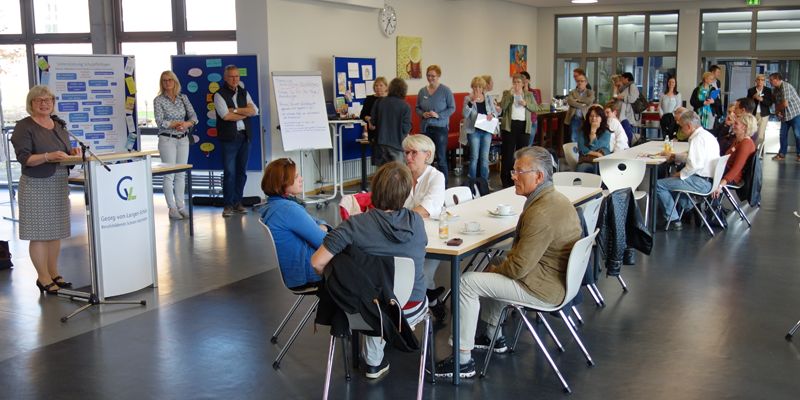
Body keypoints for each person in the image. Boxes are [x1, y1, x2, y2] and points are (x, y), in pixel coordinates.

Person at [433, 146, 582, 378]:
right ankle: (494, 335)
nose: (513, 176)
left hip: (543, 288)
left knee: (467, 282)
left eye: (519, 172)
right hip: (556, 279)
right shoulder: (556, 199)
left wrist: (497, 268)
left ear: (539, 176)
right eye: (514, 171)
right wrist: (500, 266)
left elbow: (517, 268)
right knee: (501, 260)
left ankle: (462, 361)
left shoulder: (540, 212)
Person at [311, 161, 427, 380]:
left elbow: (317, 262)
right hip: (409, 306)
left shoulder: (354, 225)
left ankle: (373, 359)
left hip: (363, 309)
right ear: (407, 192)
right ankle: (379, 350)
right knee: (389, 290)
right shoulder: (417, 222)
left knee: (372, 291)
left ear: (375, 189)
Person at [11, 85, 82, 295]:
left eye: (48, 100)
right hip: (36, 184)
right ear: (31, 104)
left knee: (55, 232)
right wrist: (48, 156)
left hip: (58, 182)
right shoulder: (24, 127)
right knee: (40, 234)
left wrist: (72, 153)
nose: (44, 103)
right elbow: (25, 159)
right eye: (39, 100)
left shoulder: (58, 124)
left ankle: (54, 272)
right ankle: (42, 277)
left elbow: (65, 152)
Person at [260, 158, 328, 291]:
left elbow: (316, 221)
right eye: (296, 176)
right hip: (307, 273)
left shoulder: (272, 205)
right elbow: (324, 242)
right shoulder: (288, 209)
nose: (301, 179)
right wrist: (322, 227)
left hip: (292, 272)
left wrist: (321, 225)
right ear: (282, 182)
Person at [401, 134, 446, 315]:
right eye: (406, 153)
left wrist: (397, 218)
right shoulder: (402, 176)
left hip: (430, 238)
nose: (408, 157)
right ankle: (433, 300)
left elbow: (427, 209)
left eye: (413, 153)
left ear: (427, 155)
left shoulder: (436, 177)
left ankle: (429, 301)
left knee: (422, 276)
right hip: (403, 235)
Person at [655, 110, 720, 230]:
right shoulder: (707, 136)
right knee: (670, 183)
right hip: (709, 181)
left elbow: (695, 165)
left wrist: (680, 174)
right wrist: (675, 156)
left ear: (689, 126)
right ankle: (688, 205)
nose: (680, 130)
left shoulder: (697, 139)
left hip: (700, 182)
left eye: (681, 127)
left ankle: (673, 219)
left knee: (658, 185)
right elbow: (694, 157)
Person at [214, 64, 259, 217]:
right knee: (229, 173)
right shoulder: (219, 94)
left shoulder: (244, 92)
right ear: (225, 78)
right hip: (229, 139)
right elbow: (225, 116)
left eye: (237, 76)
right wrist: (244, 112)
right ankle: (227, 205)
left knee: (241, 172)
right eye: (231, 76)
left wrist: (235, 110)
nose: (235, 79)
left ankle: (237, 202)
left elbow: (254, 111)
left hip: (244, 137)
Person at [154, 70, 198, 220]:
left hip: (183, 139)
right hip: (167, 139)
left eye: (170, 80)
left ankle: (181, 206)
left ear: (175, 82)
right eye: (164, 80)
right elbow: (159, 121)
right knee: (169, 175)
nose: (167, 83)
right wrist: (175, 124)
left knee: (181, 174)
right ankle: (171, 208)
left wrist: (186, 124)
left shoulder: (183, 98)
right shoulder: (158, 100)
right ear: (162, 83)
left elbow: (194, 116)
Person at [499, 74, 539, 188]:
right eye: (514, 82)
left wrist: (526, 104)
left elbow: (536, 108)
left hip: (523, 126)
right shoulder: (507, 93)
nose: (516, 84)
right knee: (507, 153)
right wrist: (510, 95)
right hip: (510, 126)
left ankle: (520, 178)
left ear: (523, 83)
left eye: (518, 82)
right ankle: (506, 180)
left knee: (522, 154)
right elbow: (503, 106)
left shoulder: (529, 95)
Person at [416, 65, 455, 180]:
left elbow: (452, 108)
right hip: (425, 128)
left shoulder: (445, 91)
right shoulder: (422, 91)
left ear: (438, 76)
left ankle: (444, 184)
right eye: (428, 75)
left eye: (433, 76)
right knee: (426, 158)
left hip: (440, 128)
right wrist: (423, 114)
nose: (430, 78)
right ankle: (427, 183)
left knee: (441, 158)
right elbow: (417, 108)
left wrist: (438, 115)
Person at [712, 114, 757, 199]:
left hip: (732, 177)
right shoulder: (738, 140)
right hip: (724, 171)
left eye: (736, 124)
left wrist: (721, 185)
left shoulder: (746, 144)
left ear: (744, 127)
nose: (733, 125)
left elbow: (737, 168)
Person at [462, 76, 499, 182]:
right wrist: (471, 102)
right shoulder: (468, 98)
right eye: (475, 87)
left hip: (486, 131)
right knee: (474, 157)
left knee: (484, 158)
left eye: (479, 87)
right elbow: (465, 114)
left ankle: (484, 182)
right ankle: (472, 183)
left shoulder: (488, 98)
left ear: (483, 88)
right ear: (472, 87)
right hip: (474, 131)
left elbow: (496, 113)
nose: (477, 89)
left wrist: (492, 114)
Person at [372, 77, 411, 165]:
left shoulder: (379, 102)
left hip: (380, 144)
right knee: (398, 174)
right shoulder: (405, 106)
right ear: (403, 90)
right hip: (397, 144)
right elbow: (406, 128)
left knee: (383, 174)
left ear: (390, 88)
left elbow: (373, 122)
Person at [769, 72, 800, 161]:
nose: (770, 82)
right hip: (785, 115)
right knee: (782, 135)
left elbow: (785, 104)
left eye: (771, 80)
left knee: (798, 135)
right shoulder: (775, 89)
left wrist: (777, 110)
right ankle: (782, 154)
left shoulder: (786, 87)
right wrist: (778, 111)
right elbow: (777, 103)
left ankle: (799, 154)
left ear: (777, 79)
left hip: (795, 114)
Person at [359, 77, 388, 165]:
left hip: (387, 133)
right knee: (378, 159)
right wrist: (369, 119)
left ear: (386, 87)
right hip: (374, 131)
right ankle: (379, 176)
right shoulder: (369, 99)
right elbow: (362, 115)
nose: (378, 87)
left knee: (387, 159)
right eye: (376, 85)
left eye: (381, 85)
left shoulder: (389, 100)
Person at [575, 105, 611, 173]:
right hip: (586, 160)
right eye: (591, 116)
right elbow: (581, 148)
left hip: (602, 161)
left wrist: (592, 132)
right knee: (581, 168)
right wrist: (597, 154)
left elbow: (596, 147)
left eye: (597, 116)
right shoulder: (582, 130)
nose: (593, 118)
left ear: (602, 118)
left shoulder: (606, 132)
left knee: (602, 169)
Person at [565, 74, 595, 143]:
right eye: (578, 81)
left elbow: (589, 101)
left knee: (585, 138)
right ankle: (575, 153)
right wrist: (583, 104)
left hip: (585, 118)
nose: (580, 83)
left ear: (586, 82)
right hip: (574, 118)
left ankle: (582, 153)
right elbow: (570, 102)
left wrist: (577, 100)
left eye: (582, 81)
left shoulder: (590, 92)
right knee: (573, 138)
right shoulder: (572, 92)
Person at [746, 74, 773, 145]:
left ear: (764, 81)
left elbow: (770, 103)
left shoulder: (768, 90)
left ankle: (756, 151)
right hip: (753, 114)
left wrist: (761, 99)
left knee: (760, 134)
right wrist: (753, 98)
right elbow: (747, 102)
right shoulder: (751, 90)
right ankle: (753, 149)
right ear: (756, 81)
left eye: (762, 80)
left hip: (763, 114)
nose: (760, 81)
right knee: (752, 132)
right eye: (758, 79)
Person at [615, 72, 639, 145]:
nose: (621, 80)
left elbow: (632, 98)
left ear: (627, 79)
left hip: (628, 112)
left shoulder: (632, 86)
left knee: (627, 129)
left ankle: (629, 144)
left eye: (622, 78)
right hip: (624, 112)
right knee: (625, 129)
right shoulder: (626, 87)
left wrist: (622, 97)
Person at [520, 71, 540, 146]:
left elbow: (535, 107)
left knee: (528, 144)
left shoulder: (533, 92)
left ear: (528, 80)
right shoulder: (517, 92)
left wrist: (526, 91)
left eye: (523, 78)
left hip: (532, 120)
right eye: (520, 78)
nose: (521, 80)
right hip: (521, 121)